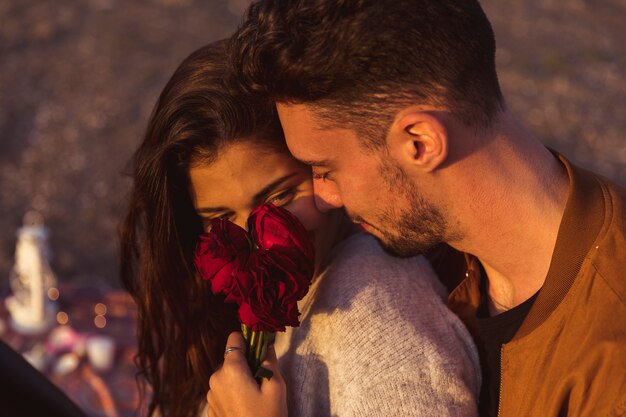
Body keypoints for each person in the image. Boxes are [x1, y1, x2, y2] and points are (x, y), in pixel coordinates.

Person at [207, 1, 626, 416]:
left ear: (420, 143)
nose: (323, 198)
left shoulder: (609, 369)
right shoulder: (438, 247)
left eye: (325, 168)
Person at [119, 40, 481, 417]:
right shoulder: (268, 305)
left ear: (321, 169)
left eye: (279, 197)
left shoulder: (376, 313)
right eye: (221, 218)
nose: (254, 242)